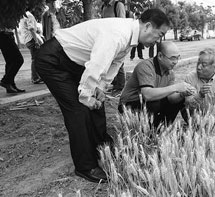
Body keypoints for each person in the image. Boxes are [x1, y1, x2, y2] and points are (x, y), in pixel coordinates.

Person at [34, 8, 170, 183]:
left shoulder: (130, 35)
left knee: (98, 102)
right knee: (78, 111)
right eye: (159, 35)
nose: (159, 40)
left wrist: (100, 88)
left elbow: (114, 63)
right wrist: (86, 96)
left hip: (75, 62)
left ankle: (102, 148)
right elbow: (97, 64)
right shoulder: (118, 34)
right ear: (148, 26)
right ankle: (85, 166)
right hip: (53, 60)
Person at [118, 41, 195, 128]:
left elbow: (170, 98)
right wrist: (175, 87)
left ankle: (163, 128)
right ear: (160, 56)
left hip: (150, 104)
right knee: (155, 103)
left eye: (178, 58)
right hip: (130, 104)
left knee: (179, 99)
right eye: (172, 58)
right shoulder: (145, 66)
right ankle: (149, 130)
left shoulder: (170, 73)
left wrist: (182, 94)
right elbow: (147, 95)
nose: (176, 62)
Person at [184, 48, 215, 115]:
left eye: (204, 65)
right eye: (198, 63)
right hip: (193, 119)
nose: (199, 67)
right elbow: (187, 106)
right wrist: (200, 95)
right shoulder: (190, 78)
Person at [101, 0, 127, 97]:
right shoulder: (104, 7)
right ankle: (114, 85)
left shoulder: (118, 5)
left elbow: (123, 23)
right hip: (107, 39)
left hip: (117, 39)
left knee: (118, 63)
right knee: (109, 62)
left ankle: (120, 88)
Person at [19, 10, 44, 84]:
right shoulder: (29, 15)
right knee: (35, 59)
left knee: (35, 58)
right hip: (31, 39)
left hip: (27, 40)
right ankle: (35, 78)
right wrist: (36, 41)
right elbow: (31, 28)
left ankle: (37, 77)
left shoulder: (23, 15)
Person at [0, 27, 26, 93]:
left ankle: (10, 86)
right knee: (18, 60)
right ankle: (6, 81)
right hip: (4, 34)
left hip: (5, 34)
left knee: (10, 61)